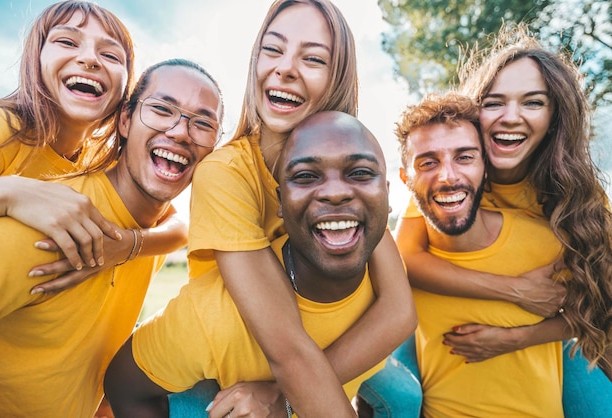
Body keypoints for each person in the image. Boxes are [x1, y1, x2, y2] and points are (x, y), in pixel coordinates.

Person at [168, 1, 413, 416]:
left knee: (406, 398)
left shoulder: (349, 172)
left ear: (337, 78)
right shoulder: (225, 174)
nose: (285, 68)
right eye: (273, 49)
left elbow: (399, 310)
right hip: (236, 354)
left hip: (318, 342)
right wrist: (287, 391)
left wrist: (278, 395)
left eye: (313, 58)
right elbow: (286, 347)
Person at [104, 110, 416, 417]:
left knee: (406, 395)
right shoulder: (213, 320)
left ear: (387, 196)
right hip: (219, 391)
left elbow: (402, 313)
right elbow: (122, 384)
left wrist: (284, 398)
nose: (335, 193)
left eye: (360, 173)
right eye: (306, 176)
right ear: (280, 202)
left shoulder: (380, 267)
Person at [0, 58, 224, 417]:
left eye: (203, 123)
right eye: (162, 109)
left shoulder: (149, 233)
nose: (180, 132)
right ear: (125, 120)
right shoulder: (50, 227)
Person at [395, 24, 612, 377]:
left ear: (555, 116)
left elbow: (601, 306)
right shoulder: (452, 183)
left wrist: (518, 338)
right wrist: (515, 290)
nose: (511, 117)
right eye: (494, 102)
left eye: (533, 102)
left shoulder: (580, 198)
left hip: (564, 346)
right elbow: (407, 258)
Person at [0, 0, 188, 293]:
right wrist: (8, 193)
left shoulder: (100, 160)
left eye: (110, 54)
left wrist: (127, 245)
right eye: (67, 41)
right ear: (36, 56)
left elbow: (179, 225)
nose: (90, 59)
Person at [395, 92, 564, 416]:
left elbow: (600, 315)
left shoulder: (548, 242)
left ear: (486, 168)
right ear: (406, 179)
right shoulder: (395, 264)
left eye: (465, 157)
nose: (448, 176)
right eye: (427, 162)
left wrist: (518, 338)